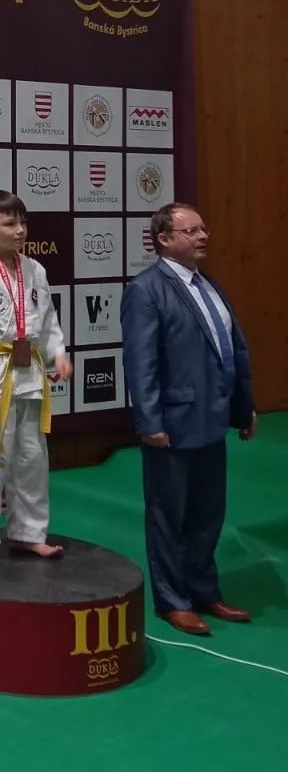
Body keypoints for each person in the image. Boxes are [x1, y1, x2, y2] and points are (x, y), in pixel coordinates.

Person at [121, 202, 256, 636]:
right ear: (164, 239)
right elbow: (140, 364)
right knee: (168, 516)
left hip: (212, 420)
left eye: (203, 229)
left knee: (207, 514)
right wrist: (150, 422)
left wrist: (243, 408)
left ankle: (204, 590)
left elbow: (232, 351)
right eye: (191, 231)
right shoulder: (146, 290)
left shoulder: (209, 284)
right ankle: (173, 601)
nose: (203, 236)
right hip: (172, 425)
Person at [0, 191, 72, 565]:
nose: (20, 230)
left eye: (23, 222)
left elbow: (47, 319)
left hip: (29, 372)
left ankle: (28, 533)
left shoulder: (35, 269)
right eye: (10, 223)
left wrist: (57, 353)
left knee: (32, 458)